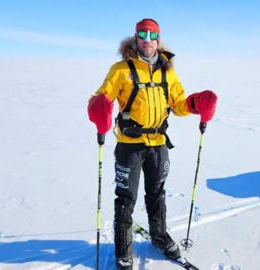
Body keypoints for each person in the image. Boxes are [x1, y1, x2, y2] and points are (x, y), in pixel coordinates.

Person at [88, 18, 217, 270]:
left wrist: (196, 103)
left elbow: (178, 103)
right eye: (141, 35)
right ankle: (123, 251)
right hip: (129, 145)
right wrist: (99, 108)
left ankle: (159, 237)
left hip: (158, 144)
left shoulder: (168, 70)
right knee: (125, 198)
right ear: (135, 38)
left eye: (151, 35)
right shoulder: (120, 69)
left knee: (156, 194)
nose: (146, 40)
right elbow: (101, 96)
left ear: (158, 39)